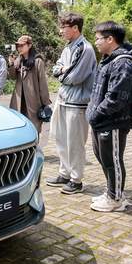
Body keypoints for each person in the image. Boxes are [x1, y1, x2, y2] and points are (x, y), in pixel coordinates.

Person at [86, 21, 132, 212]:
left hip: (113, 122)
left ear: (110, 39)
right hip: (101, 121)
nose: (96, 42)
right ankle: (112, 192)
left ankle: (115, 199)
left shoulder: (123, 63)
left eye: (98, 38)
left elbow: (116, 99)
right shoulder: (108, 59)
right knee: (104, 158)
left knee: (113, 161)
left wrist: (95, 115)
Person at [46, 13, 97, 195]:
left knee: (75, 143)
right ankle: (64, 173)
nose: (61, 31)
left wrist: (62, 73)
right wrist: (62, 70)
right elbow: (55, 69)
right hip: (63, 99)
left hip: (78, 102)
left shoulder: (85, 48)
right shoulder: (68, 47)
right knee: (61, 139)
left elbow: (74, 77)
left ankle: (76, 180)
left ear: (75, 28)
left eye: (64, 27)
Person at [8, 35, 51, 134]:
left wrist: (45, 103)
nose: (19, 48)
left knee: (33, 128)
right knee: (19, 128)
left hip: (33, 100)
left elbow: (42, 83)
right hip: (18, 100)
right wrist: (11, 64)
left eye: (22, 45)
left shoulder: (37, 61)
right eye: (18, 46)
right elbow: (12, 77)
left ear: (30, 45)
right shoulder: (18, 60)